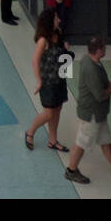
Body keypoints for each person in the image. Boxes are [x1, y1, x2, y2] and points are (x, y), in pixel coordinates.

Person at [65, 37, 111, 185]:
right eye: (104, 47)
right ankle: (71, 171)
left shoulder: (88, 59)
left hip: (98, 114)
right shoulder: (91, 68)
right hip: (91, 114)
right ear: (98, 50)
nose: (106, 49)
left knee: (105, 141)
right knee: (82, 142)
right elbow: (99, 95)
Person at [24, 9, 69, 153]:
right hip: (48, 83)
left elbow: (64, 56)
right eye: (56, 18)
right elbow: (35, 61)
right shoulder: (44, 40)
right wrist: (39, 81)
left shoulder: (59, 35)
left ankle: (53, 140)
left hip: (60, 80)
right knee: (49, 113)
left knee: (57, 110)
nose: (59, 20)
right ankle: (30, 132)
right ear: (50, 21)